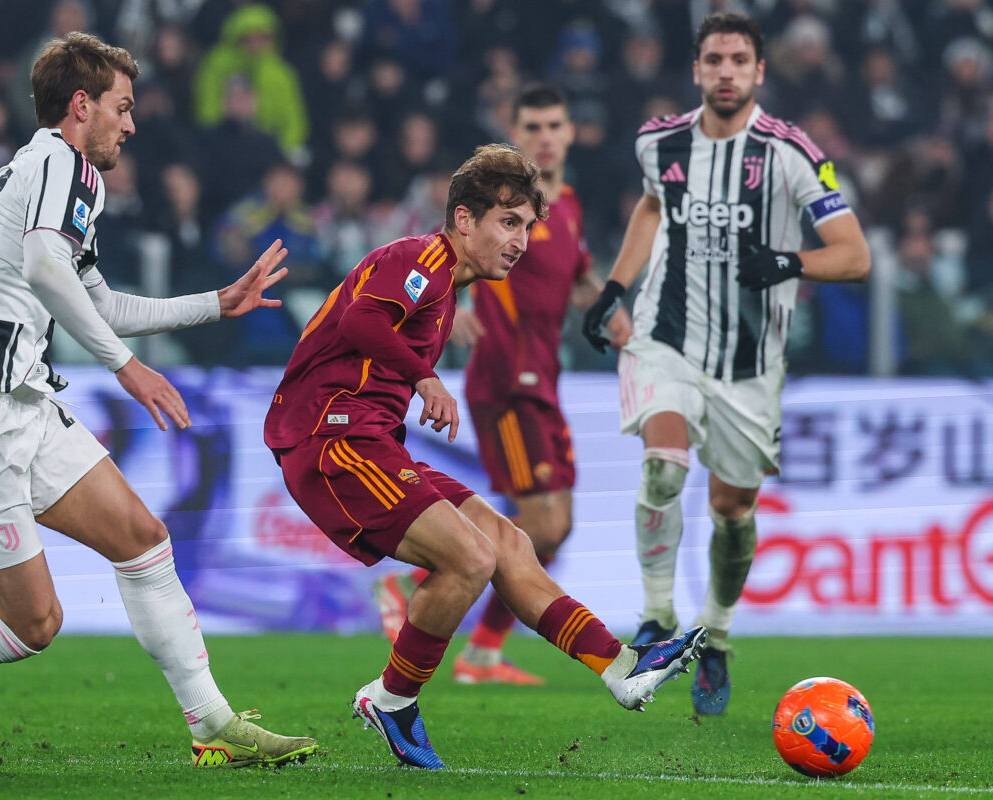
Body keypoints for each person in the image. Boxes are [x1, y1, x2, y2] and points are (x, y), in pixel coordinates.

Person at [0, 31, 318, 769]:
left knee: (142, 539)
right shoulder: (61, 161)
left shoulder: (44, 174)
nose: (132, 123)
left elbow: (95, 300)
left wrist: (216, 302)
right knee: (35, 622)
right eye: (122, 106)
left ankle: (212, 724)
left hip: (17, 405)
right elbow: (46, 266)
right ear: (81, 105)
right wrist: (127, 370)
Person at [264, 143, 707, 770]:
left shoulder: (450, 290)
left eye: (528, 226)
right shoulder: (422, 257)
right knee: (469, 557)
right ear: (464, 219)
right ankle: (391, 699)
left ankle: (620, 667)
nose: (522, 240)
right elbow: (361, 323)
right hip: (328, 436)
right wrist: (427, 379)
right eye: (508, 222)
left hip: (369, 439)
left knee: (508, 543)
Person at [581, 11, 870, 717]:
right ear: (696, 70)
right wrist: (615, 288)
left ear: (760, 71)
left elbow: (855, 254)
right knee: (662, 465)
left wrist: (786, 262)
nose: (727, 71)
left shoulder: (793, 153)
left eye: (740, 59)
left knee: (731, 510)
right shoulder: (659, 140)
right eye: (715, 59)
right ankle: (655, 620)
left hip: (749, 363)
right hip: (666, 337)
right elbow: (653, 205)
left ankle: (715, 636)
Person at [372, 84, 631, 686]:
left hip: (547, 381)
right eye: (532, 125)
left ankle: (484, 652)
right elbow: (444, 258)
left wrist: (611, 310)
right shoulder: (496, 212)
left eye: (553, 125)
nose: (544, 136)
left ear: (569, 134)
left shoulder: (563, 209)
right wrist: (449, 301)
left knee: (557, 525)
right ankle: (411, 583)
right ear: (516, 131)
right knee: (537, 523)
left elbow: (580, 270)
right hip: (505, 380)